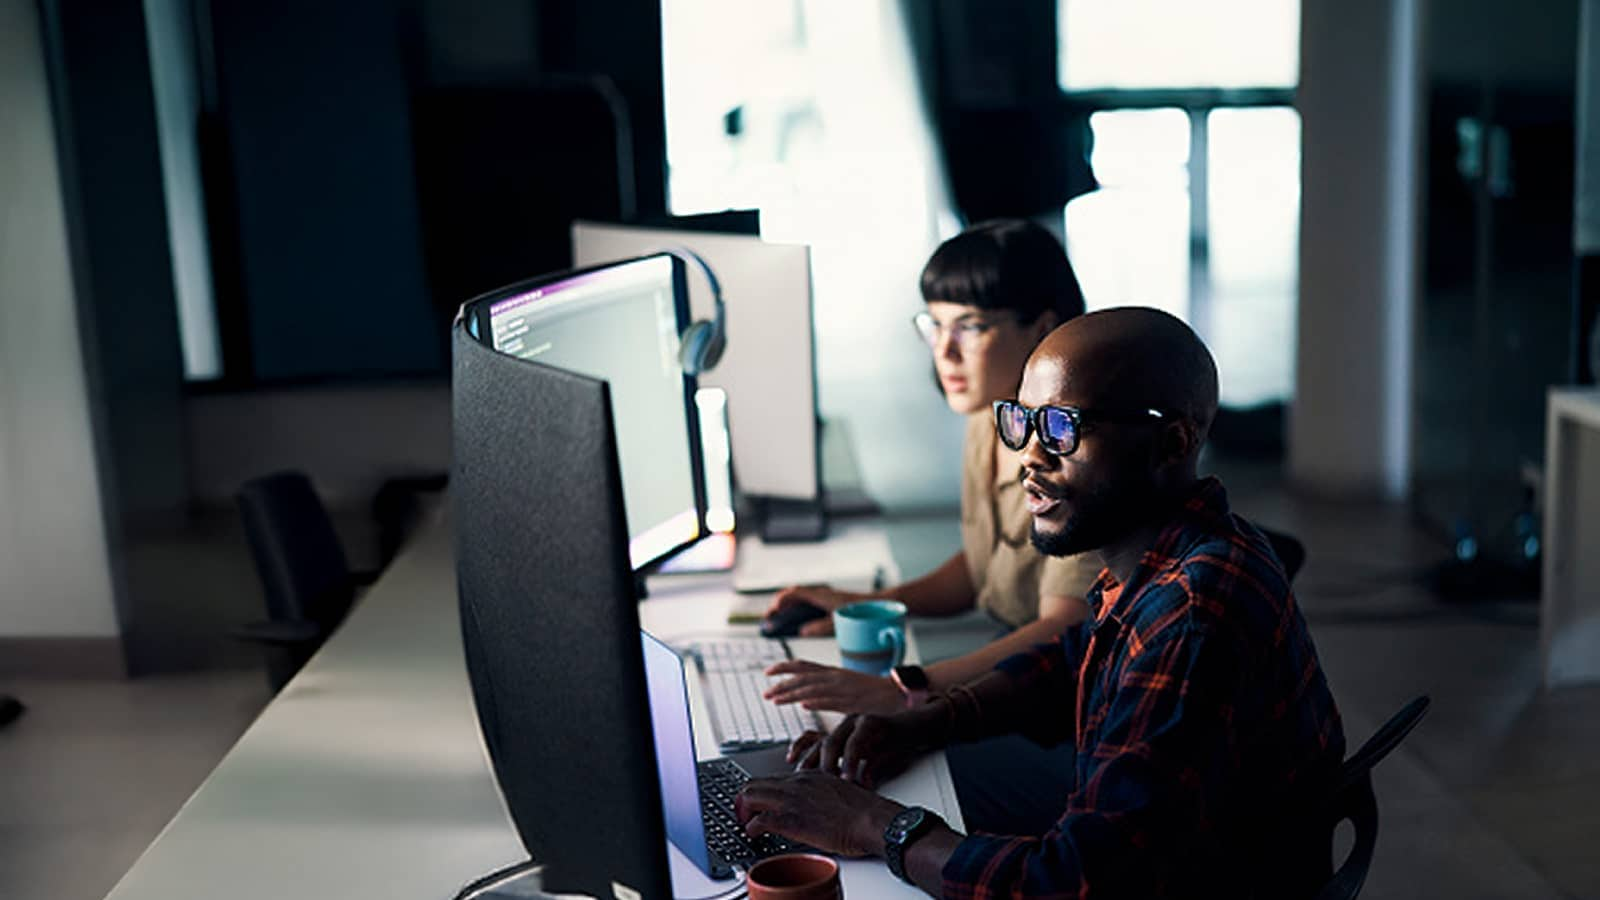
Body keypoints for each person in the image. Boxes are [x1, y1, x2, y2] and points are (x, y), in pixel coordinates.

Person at [735, 307, 1346, 899]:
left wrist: (876, 826)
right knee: (932, 781)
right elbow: (1068, 660)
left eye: (1062, 428)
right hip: (1180, 849)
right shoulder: (1169, 549)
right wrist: (924, 722)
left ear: (1172, 443)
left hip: (1209, 880)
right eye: (1020, 420)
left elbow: (1074, 883)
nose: (1029, 453)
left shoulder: (1191, 614)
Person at [762, 219, 1099, 717]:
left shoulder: (1073, 452)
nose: (945, 351)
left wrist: (909, 687)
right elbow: (985, 566)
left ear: (1043, 328)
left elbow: (1061, 627)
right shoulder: (994, 412)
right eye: (934, 325)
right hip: (1010, 668)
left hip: (1069, 702)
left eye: (970, 326)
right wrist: (868, 604)